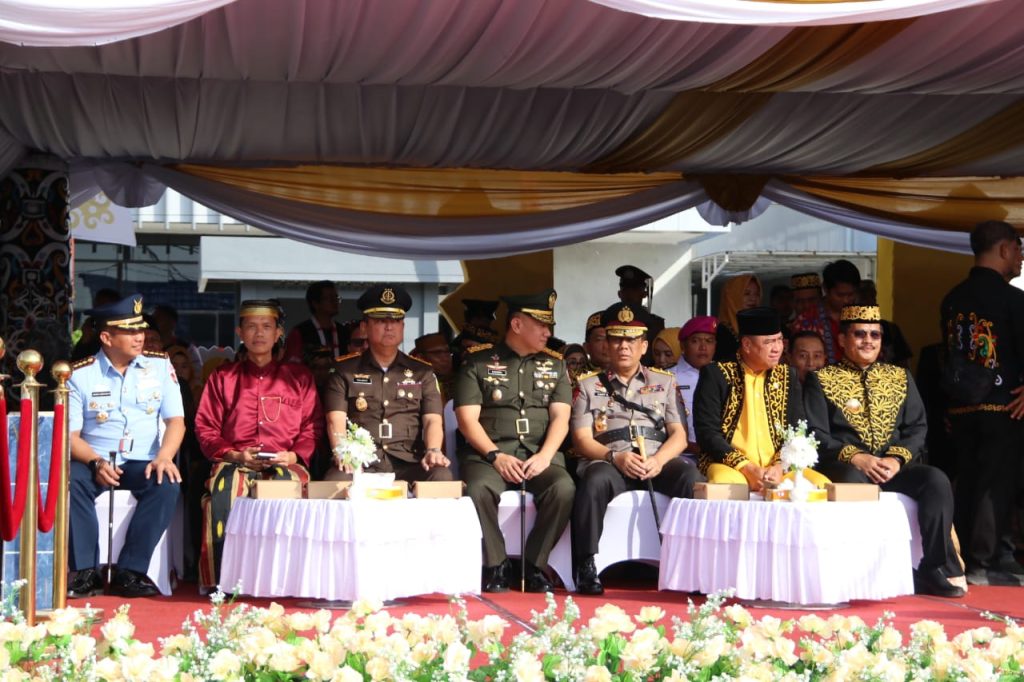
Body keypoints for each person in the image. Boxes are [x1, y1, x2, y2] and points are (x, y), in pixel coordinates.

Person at [804, 305, 965, 597]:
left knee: (935, 481)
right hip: (847, 466)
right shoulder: (822, 379)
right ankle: (859, 573)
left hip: (893, 467)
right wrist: (856, 457)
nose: (868, 340)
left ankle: (932, 567)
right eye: (860, 334)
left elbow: (917, 427)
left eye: (875, 334)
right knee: (853, 483)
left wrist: (896, 459)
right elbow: (816, 434)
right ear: (842, 340)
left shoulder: (900, 377)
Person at [570, 302, 703, 595]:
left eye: (631, 340)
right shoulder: (588, 386)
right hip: (610, 460)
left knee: (691, 478)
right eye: (617, 339)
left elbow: (679, 436)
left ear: (643, 346)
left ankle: (694, 562)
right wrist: (614, 457)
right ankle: (586, 564)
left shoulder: (665, 382)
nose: (623, 346)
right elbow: (581, 439)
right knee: (594, 480)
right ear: (607, 344)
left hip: (655, 459)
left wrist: (659, 460)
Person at [194, 300, 323, 590]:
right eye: (251, 327)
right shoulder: (223, 377)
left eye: (266, 327)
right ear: (240, 332)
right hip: (235, 461)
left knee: (288, 489)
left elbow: (313, 426)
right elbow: (205, 427)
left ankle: (286, 580)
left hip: (284, 462)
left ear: (279, 333)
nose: (259, 333)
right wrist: (234, 454)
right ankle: (222, 581)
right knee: (225, 492)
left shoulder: (299, 378)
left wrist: (293, 455)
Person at [455, 289, 575, 593]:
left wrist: (545, 456)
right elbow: (467, 420)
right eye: (541, 325)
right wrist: (495, 455)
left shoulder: (557, 366)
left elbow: (561, 418)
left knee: (563, 488)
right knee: (478, 489)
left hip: (538, 454)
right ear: (517, 324)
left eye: (549, 326)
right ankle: (495, 564)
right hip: (489, 456)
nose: (548, 333)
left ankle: (534, 564)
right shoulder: (477, 363)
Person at [66, 294, 184, 598]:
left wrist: (164, 457)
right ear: (106, 338)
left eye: (140, 329)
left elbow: (176, 421)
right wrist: (95, 462)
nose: (139, 337)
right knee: (71, 481)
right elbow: (70, 436)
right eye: (129, 331)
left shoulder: (159, 366)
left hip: (141, 461)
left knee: (166, 483)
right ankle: (85, 572)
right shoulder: (79, 375)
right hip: (94, 460)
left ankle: (131, 571)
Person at [941, 220, 1024, 586]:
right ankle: (984, 563)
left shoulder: (952, 298)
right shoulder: (1012, 299)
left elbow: (948, 357)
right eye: (1019, 250)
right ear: (1005, 249)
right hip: (1004, 405)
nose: (1021, 258)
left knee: (970, 480)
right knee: (996, 483)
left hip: (962, 407)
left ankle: (983, 556)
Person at [324, 285, 451, 482]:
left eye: (395, 321)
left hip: (409, 462)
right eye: (381, 321)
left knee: (441, 476)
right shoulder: (344, 371)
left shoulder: (422, 372)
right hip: (360, 462)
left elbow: (432, 420)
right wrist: (342, 452)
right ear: (364, 327)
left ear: (403, 327)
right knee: (335, 481)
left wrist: (433, 450)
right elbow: (335, 419)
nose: (389, 327)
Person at [693, 307, 829, 492]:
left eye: (779, 340)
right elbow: (707, 433)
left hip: (780, 468)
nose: (777, 348)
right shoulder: (717, 374)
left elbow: (797, 429)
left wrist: (779, 466)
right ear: (747, 345)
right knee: (727, 488)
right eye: (769, 342)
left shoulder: (788, 375)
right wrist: (746, 467)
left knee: (820, 486)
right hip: (730, 465)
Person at [794, 260, 860, 363]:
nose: (846, 300)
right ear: (825, 288)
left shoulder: (862, 318)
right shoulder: (805, 320)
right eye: (840, 295)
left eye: (850, 295)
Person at [671, 316, 717, 456]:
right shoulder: (668, 377)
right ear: (682, 346)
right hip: (682, 455)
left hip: (719, 454)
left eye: (709, 341)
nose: (703, 347)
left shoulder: (724, 376)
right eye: (695, 341)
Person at [284, 281, 346, 364]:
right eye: (330, 298)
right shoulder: (300, 332)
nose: (335, 301)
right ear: (315, 303)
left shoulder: (343, 331)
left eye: (336, 297)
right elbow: (292, 365)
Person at [616, 265, 665, 364]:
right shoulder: (611, 321)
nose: (629, 294)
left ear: (644, 294)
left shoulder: (655, 323)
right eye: (626, 289)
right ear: (619, 293)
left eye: (634, 289)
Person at [713, 274, 761, 362]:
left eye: (757, 294)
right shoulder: (722, 332)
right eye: (747, 294)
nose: (753, 298)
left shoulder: (760, 327)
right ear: (732, 297)